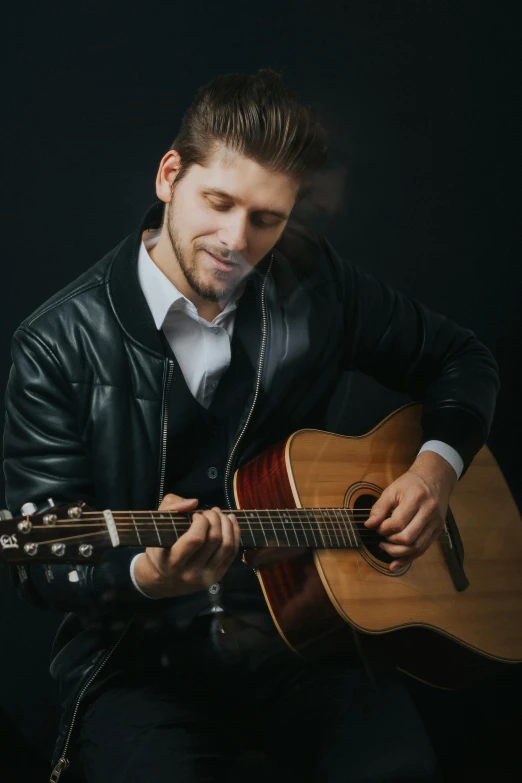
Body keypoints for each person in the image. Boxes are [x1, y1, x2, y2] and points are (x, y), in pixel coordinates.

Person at [3, 69, 499, 783]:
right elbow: (44, 553)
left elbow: (462, 357)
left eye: (266, 218)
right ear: (170, 174)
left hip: (309, 636)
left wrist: (436, 470)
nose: (236, 240)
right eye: (219, 202)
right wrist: (149, 569)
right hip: (139, 661)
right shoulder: (55, 343)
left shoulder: (314, 279)